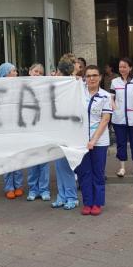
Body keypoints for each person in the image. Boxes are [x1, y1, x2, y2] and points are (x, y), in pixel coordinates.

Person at [78, 65, 112, 216]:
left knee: (98, 173)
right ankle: (87, 203)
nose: (92, 78)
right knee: (84, 173)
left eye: (95, 75)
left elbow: (105, 120)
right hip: (81, 141)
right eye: (89, 76)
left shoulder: (106, 96)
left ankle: (97, 203)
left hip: (99, 141)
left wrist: (93, 140)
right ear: (84, 78)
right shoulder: (78, 93)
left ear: (100, 77)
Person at [51, 56, 79, 210]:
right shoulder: (56, 83)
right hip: (57, 128)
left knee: (66, 165)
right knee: (58, 165)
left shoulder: (72, 83)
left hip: (68, 129)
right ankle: (62, 196)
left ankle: (71, 197)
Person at [110, 57, 133, 177]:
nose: (122, 69)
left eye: (124, 66)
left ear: (130, 68)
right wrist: (115, 108)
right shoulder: (115, 81)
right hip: (119, 119)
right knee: (121, 144)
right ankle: (122, 168)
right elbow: (111, 98)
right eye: (120, 67)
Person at [0, 62, 24, 199]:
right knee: (7, 158)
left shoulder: (18, 87)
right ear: (6, 73)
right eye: (13, 71)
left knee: (18, 157)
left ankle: (18, 185)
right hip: (4, 129)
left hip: (17, 127)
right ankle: (9, 187)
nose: (16, 73)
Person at [26, 63, 50, 202]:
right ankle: (33, 189)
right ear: (29, 72)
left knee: (44, 162)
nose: (38, 74)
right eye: (35, 71)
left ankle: (44, 189)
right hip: (29, 131)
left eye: (40, 72)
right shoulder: (23, 87)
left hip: (43, 130)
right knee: (32, 161)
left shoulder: (46, 88)